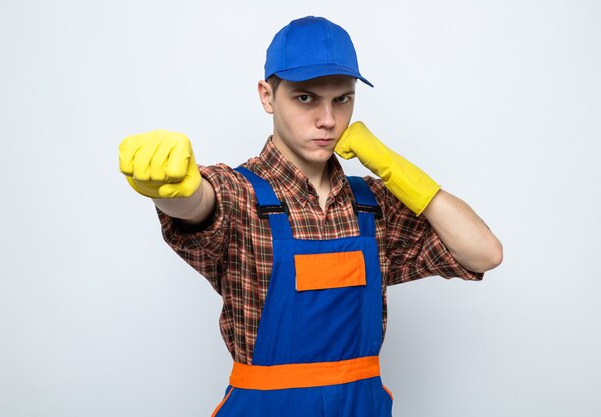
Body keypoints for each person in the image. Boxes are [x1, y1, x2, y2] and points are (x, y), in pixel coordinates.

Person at [118, 15, 502, 417]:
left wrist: (400, 172)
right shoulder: (241, 195)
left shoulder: (373, 205)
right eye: (306, 98)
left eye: (342, 99)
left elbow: (484, 253)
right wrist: (175, 191)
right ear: (267, 96)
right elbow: (200, 204)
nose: (328, 120)